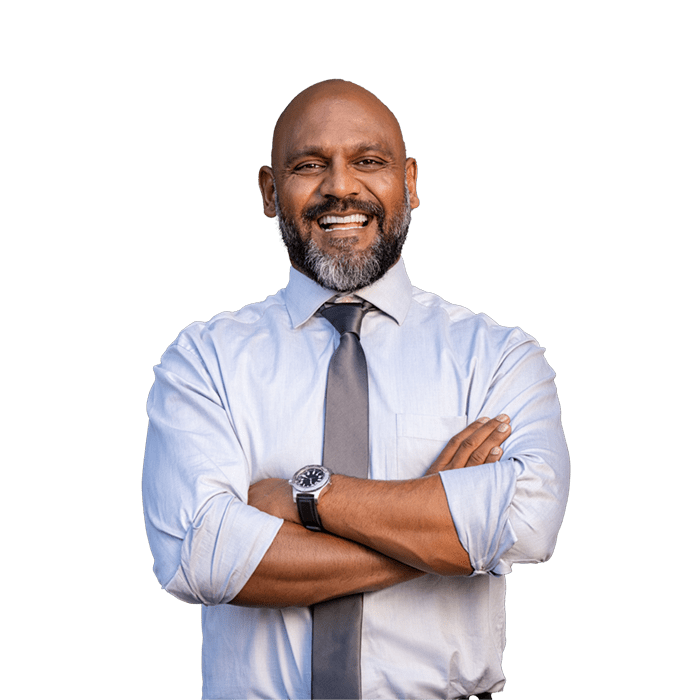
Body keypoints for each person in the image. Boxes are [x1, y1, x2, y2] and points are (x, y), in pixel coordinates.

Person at [143, 79, 569, 700]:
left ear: (411, 183)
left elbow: (527, 521)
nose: (340, 187)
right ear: (269, 191)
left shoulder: (497, 358)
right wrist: (437, 531)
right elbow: (201, 557)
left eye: (369, 161)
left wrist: (307, 497)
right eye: (309, 165)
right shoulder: (204, 360)